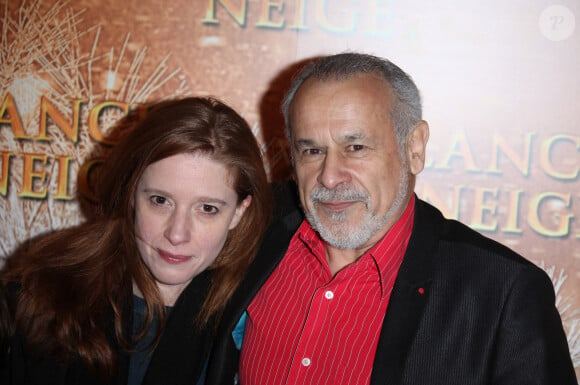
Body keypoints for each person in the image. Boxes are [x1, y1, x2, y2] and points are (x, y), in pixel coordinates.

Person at [204, 53, 577, 385]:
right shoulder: (250, 232)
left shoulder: (502, 293)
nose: (330, 176)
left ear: (414, 148)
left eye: (356, 147)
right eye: (312, 150)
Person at [0, 97, 272, 385]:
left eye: (207, 209)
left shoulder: (256, 316)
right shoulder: (43, 296)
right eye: (159, 200)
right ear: (130, 192)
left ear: (239, 212)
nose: (177, 234)